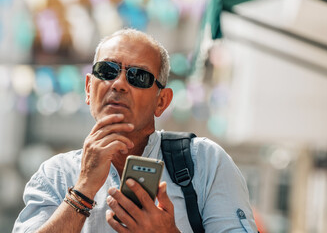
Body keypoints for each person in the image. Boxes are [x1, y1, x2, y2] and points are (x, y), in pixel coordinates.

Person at [13, 28, 258, 233]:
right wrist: (83, 190)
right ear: (88, 88)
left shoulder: (204, 162)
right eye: (107, 71)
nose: (118, 84)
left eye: (138, 76)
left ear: (162, 101)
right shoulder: (55, 175)